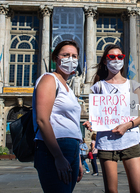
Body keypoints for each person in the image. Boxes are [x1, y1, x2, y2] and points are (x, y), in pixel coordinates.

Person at [83, 44, 140, 193]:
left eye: (120, 57)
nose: (116, 59)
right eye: (112, 57)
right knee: (111, 191)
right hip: (107, 143)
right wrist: (91, 123)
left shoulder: (132, 86)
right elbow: (97, 116)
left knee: (137, 190)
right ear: (105, 61)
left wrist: (127, 125)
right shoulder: (98, 87)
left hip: (130, 141)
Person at [33, 40, 83, 193]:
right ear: (55, 58)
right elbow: (42, 120)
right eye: (65, 55)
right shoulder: (49, 79)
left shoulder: (67, 86)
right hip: (55, 148)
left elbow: (73, 124)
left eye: (74, 56)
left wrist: (78, 158)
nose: (71, 59)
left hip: (71, 149)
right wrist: (58, 157)